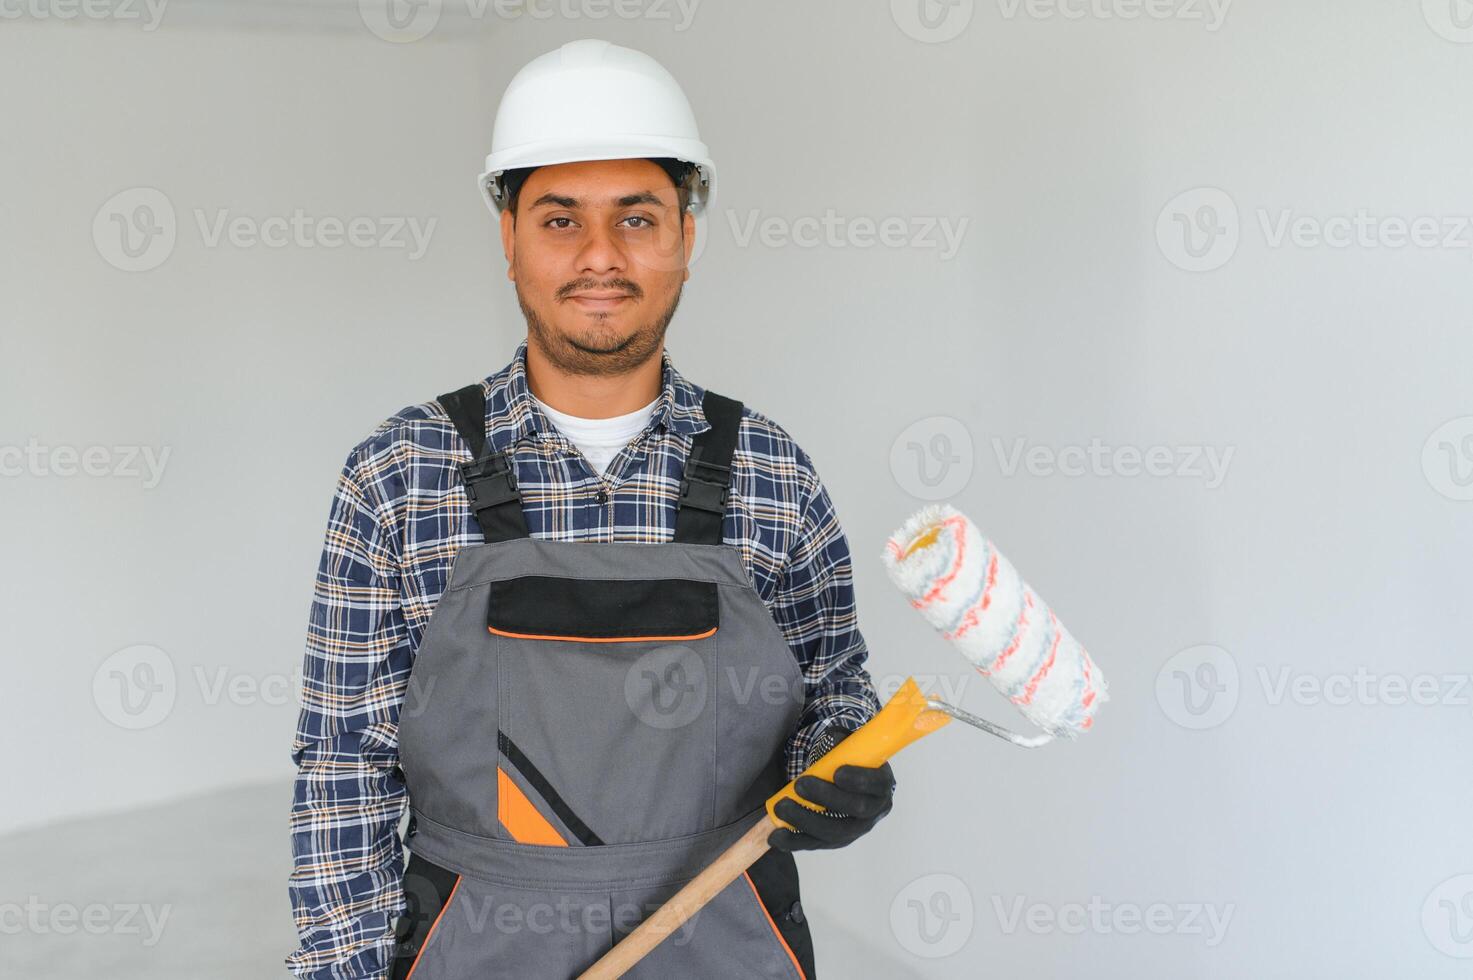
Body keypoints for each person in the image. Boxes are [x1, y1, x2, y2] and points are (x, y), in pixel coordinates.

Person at [286, 38, 892, 980]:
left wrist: (843, 762)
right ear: (509, 238)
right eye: (561, 219)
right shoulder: (401, 474)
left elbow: (835, 688)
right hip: (474, 945)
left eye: (637, 218)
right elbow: (341, 771)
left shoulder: (773, 472)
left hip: (724, 937)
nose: (600, 258)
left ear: (686, 236)